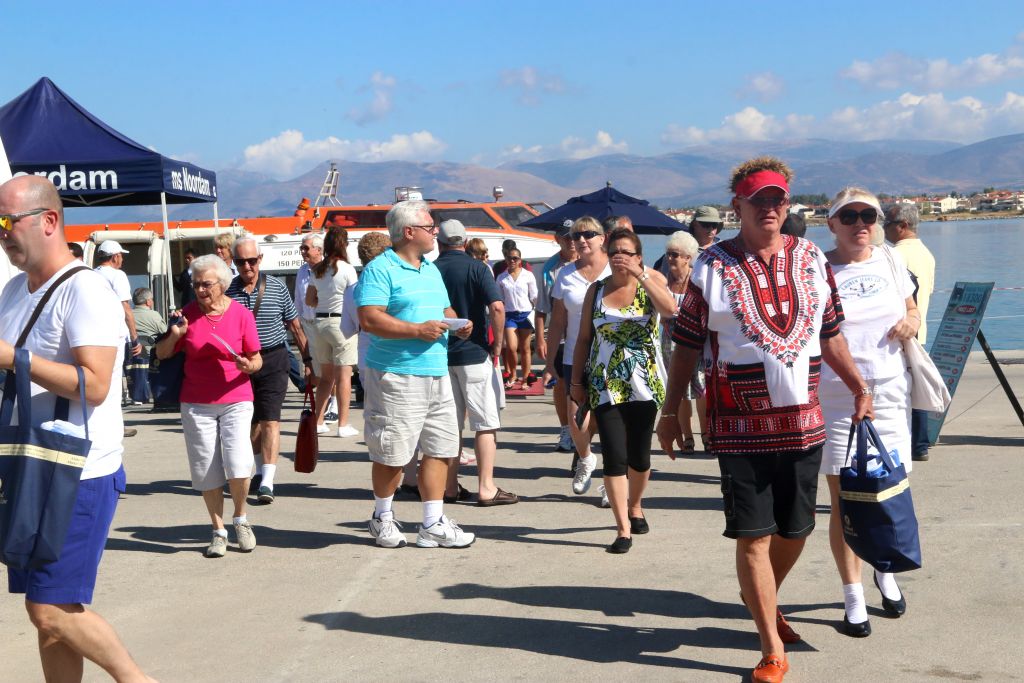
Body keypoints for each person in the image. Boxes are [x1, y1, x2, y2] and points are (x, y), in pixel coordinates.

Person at [656, 157, 873, 683]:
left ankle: (762, 596)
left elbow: (831, 333)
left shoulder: (810, 260)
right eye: (760, 200)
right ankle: (771, 647)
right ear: (739, 206)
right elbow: (686, 345)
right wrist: (673, 407)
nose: (771, 208)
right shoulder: (711, 265)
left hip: (803, 421)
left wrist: (859, 384)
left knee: (797, 529)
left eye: (779, 199)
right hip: (737, 421)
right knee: (752, 535)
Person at [0, 175, 153, 681]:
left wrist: (13, 359)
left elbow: (95, 383)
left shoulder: (86, 289)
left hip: (77, 471)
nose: (1, 233)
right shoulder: (12, 291)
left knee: (51, 608)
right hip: (30, 466)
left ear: (49, 220)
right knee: (46, 618)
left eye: (6, 221)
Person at [820, 188, 920, 636]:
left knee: (889, 488)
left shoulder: (890, 260)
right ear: (832, 223)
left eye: (869, 216)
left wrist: (912, 323)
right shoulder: (819, 270)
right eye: (850, 216)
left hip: (890, 389)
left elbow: (912, 308)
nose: (861, 224)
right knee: (845, 500)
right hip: (838, 398)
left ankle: (885, 569)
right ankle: (852, 595)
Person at [354, 200, 476, 548]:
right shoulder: (381, 269)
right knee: (392, 453)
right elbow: (370, 318)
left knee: (440, 448)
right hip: (397, 374)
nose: (434, 231)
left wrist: (457, 323)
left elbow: (443, 307)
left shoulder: (430, 268)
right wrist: (415, 330)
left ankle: (432, 522)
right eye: (429, 226)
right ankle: (382, 516)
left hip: (436, 371)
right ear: (409, 232)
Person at [572, 228, 676, 553]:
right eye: (614, 250)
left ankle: (636, 505)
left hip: (644, 386)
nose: (619, 257)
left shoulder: (650, 283)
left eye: (627, 252)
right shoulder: (596, 291)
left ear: (638, 257)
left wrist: (641, 275)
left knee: (640, 459)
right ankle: (623, 529)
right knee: (614, 458)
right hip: (606, 387)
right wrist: (577, 381)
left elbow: (671, 310)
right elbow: (584, 339)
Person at [156, 254, 263, 557]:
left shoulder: (241, 314)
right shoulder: (185, 315)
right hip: (196, 401)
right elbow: (162, 354)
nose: (200, 290)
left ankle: (240, 519)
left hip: (236, 396)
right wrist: (176, 333)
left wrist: (247, 365)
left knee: (238, 460)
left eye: (206, 284)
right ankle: (218, 529)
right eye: (195, 284)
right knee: (205, 467)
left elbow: (257, 359)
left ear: (223, 284)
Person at [435, 219, 518, 506]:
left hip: (440, 356)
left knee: (449, 424)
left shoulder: (430, 269)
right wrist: (496, 346)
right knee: (484, 423)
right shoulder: (478, 268)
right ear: (466, 241)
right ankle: (486, 487)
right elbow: (496, 306)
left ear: (439, 242)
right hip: (474, 353)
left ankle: (448, 486)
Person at [226, 237, 313, 505]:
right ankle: (260, 469)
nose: (247, 267)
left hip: (274, 359)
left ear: (260, 260)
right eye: (241, 262)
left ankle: (267, 482)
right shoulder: (228, 291)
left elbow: (295, 326)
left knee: (270, 420)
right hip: (243, 363)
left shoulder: (276, 287)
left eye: (252, 261)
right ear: (234, 262)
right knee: (251, 424)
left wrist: (308, 362)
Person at [545, 216, 611, 492]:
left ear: (602, 238)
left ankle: (612, 482)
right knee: (576, 419)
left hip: (611, 357)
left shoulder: (615, 270)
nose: (581, 240)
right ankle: (586, 459)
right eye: (576, 236)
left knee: (611, 423)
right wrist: (550, 362)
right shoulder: (565, 275)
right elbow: (558, 321)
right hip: (575, 356)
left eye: (588, 234)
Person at [884, 202, 936, 462]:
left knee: (901, 388)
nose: (883, 230)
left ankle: (912, 444)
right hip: (920, 326)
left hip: (898, 331)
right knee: (917, 385)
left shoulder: (894, 256)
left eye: (887, 225)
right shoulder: (927, 254)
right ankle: (921, 443)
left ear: (902, 226)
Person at [305, 227, 359, 438]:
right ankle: (343, 425)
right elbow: (354, 299)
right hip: (340, 323)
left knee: (326, 377)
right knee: (344, 376)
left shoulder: (318, 269)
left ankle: (318, 421)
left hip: (320, 323)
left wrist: (322, 301)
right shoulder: (347, 269)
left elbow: (309, 300)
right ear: (343, 244)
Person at [660, 231, 706, 453]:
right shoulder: (663, 280)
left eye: (675, 255)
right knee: (678, 389)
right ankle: (687, 436)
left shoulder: (697, 279)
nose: (670, 259)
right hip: (669, 340)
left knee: (701, 388)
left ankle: (707, 434)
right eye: (668, 254)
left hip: (695, 340)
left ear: (688, 257)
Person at [535, 220, 577, 453]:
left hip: (585, 334)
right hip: (560, 335)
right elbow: (542, 309)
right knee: (561, 384)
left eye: (573, 236)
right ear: (557, 239)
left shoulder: (589, 262)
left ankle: (585, 428)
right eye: (566, 237)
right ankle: (565, 429)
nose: (571, 241)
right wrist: (541, 338)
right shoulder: (550, 269)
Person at [495, 246, 538, 388]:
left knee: (525, 348)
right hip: (510, 315)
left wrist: (536, 313)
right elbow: (499, 299)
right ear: (505, 259)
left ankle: (525, 377)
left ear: (520, 260)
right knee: (511, 348)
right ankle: (513, 374)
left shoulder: (528, 275)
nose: (512, 260)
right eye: (509, 258)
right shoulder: (501, 277)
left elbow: (534, 296)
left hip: (525, 314)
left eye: (515, 258)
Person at [94, 240, 142, 361]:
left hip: (95, 334)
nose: (122, 259)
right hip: (115, 335)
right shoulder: (118, 275)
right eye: (121, 256)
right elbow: (125, 307)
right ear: (115, 257)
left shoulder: (91, 273)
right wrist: (134, 338)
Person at [126, 287, 167, 405]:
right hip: (151, 355)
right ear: (148, 302)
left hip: (130, 354)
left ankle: (136, 395)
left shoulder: (128, 315)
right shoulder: (154, 315)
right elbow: (165, 333)